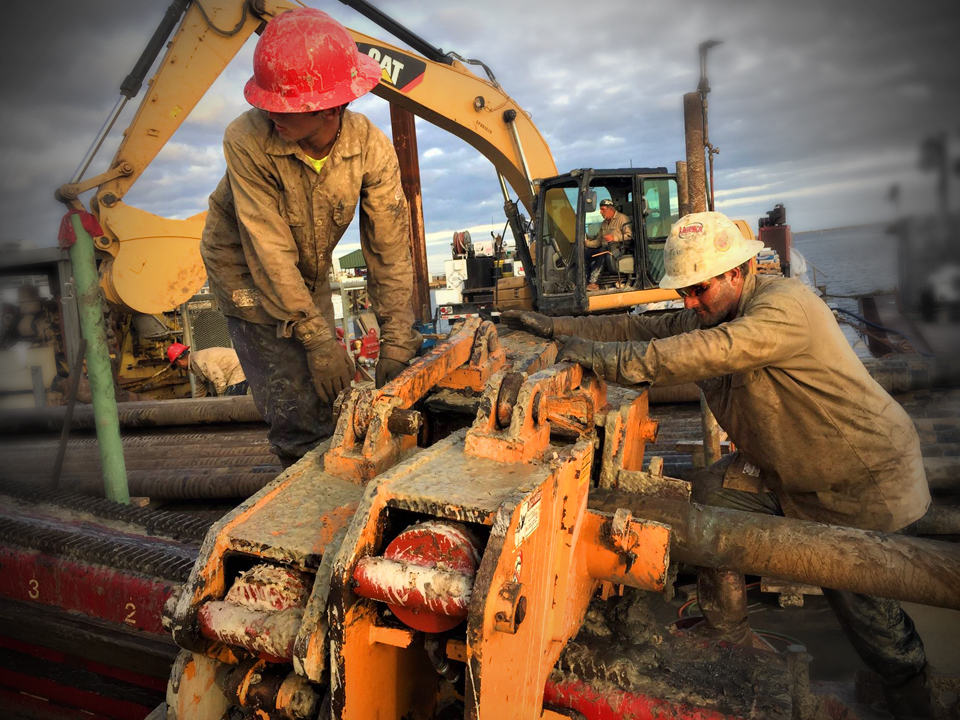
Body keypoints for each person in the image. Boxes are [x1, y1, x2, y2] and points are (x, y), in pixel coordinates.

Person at [502, 211, 934, 719]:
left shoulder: (783, 308)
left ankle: (914, 698)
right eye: (683, 291)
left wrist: (597, 357)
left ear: (736, 273)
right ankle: (730, 634)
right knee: (710, 493)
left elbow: (693, 354)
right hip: (789, 472)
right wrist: (556, 327)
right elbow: (642, 325)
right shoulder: (714, 310)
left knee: (862, 602)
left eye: (699, 289)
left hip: (856, 475)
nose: (689, 302)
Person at [200, 8, 421, 466]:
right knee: (297, 409)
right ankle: (303, 491)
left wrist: (397, 342)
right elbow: (268, 249)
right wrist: (319, 342)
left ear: (328, 108)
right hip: (245, 271)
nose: (268, 110)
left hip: (305, 273)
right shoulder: (246, 139)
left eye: (282, 105)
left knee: (333, 397)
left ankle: (338, 468)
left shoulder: (369, 148)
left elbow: (389, 250)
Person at [585, 198, 633, 291]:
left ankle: (593, 282)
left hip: (619, 248)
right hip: (605, 247)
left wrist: (614, 238)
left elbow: (629, 236)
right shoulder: (604, 223)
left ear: (610, 209)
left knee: (603, 251)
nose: (600, 212)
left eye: (603, 209)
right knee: (586, 253)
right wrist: (586, 243)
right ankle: (585, 280)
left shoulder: (622, 218)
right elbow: (599, 241)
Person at [167, 343, 247, 398]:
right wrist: (195, 406)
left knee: (231, 402)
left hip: (240, 367)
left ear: (179, 362)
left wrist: (221, 400)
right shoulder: (195, 363)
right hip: (240, 365)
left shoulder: (198, 361)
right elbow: (201, 388)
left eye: (176, 364)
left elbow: (218, 379)